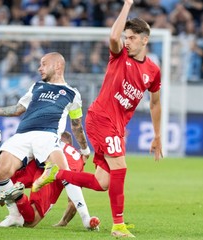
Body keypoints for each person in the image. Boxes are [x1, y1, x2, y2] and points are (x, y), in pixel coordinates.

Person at [32, 1, 163, 238]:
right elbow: (113, 36)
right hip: (101, 118)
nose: (127, 41)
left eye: (132, 38)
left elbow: (155, 103)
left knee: (103, 182)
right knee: (121, 168)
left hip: (117, 126)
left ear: (145, 40)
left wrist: (157, 135)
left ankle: (56, 174)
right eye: (127, 36)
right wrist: (127, 5)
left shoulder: (153, 71)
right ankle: (118, 226)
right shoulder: (119, 56)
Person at [0, 52, 95, 229]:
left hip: (47, 135)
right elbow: (18, 109)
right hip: (23, 134)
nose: (39, 68)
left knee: (64, 173)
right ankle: (15, 215)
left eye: (43, 64)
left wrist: (85, 150)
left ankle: (87, 219)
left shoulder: (72, 94)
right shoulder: (36, 87)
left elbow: (76, 125)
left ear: (57, 66)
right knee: (1, 171)